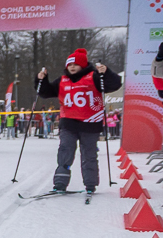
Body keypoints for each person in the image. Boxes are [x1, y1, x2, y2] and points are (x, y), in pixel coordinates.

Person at [36, 48, 122, 195]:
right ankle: (60, 183)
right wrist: (41, 80)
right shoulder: (62, 80)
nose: (72, 67)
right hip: (68, 123)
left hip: (90, 123)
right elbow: (45, 92)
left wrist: (106, 72)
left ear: (83, 65)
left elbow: (114, 85)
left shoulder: (93, 76)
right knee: (65, 151)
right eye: (70, 65)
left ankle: (90, 184)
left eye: (76, 64)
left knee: (89, 154)